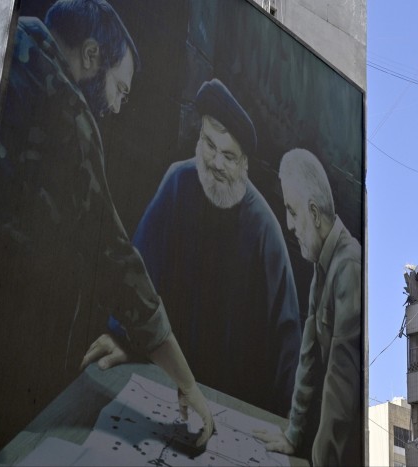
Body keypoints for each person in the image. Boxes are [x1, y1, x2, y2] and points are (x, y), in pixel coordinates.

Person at [0, 1, 211, 462]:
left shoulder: (14, 40)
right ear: (90, 56)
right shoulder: (66, 108)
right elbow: (114, 258)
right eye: (119, 89)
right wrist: (187, 383)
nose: (117, 107)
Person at [99, 78, 302, 417]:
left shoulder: (264, 227)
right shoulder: (178, 183)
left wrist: (285, 424)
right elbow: (137, 273)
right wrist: (121, 339)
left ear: (244, 164)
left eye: (228, 156)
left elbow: (287, 337)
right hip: (162, 382)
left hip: (234, 406)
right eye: (209, 145)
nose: (216, 163)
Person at [254, 148, 362, 465]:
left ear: (314, 214)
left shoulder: (348, 268)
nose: (288, 224)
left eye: (292, 211)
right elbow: (309, 359)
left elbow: (340, 388)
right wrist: (293, 434)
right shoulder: (323, 266)